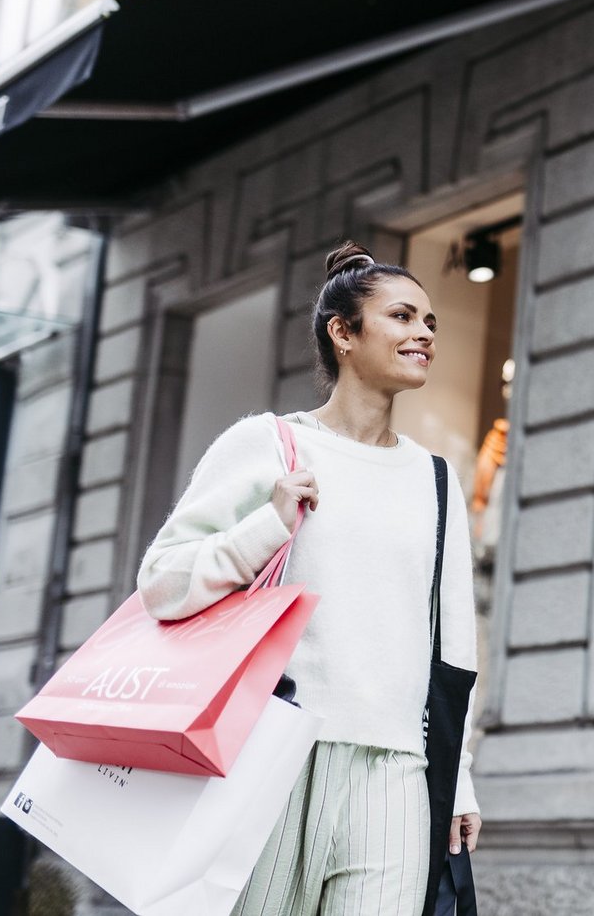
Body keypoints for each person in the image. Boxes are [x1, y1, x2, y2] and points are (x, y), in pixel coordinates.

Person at [136, 240, 481, 913]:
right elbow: (162, 581)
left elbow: (454, 649)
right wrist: (267, 523)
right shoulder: (267, 444)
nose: (424, 335)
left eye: (431, 323)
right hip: (277, 755)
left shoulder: (436, 480)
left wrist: (457, 779)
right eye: (404, 317)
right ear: (343, 333)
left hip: (396, 772)